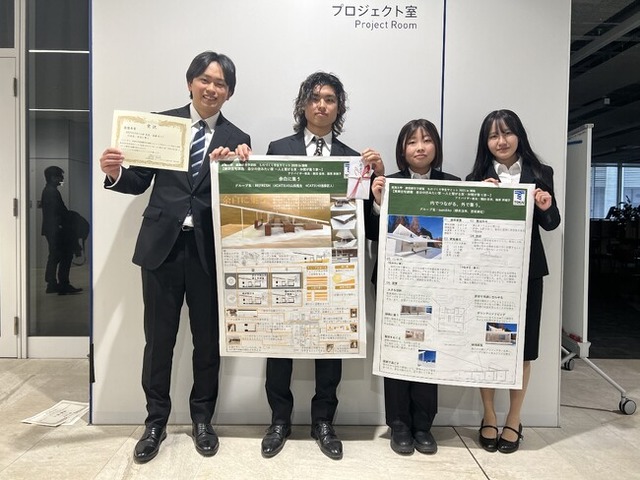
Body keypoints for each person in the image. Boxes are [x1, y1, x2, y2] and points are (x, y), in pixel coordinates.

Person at [99, 51, 251, 464]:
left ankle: (203, 420)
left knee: (207, 342)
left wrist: (237, 169)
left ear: (229, 92)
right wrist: (114, 172)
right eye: (205, 80)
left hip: (208, 253)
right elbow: (138, 180)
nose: (211, 88)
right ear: (190, 83)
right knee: (158, 341)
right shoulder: (161, 125)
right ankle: (155, 422)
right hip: (162, 249)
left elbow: (237, 200)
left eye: (221, 84)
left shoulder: (238, 138)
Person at [261, 71, 383, 460]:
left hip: (334, 268)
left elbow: (368, 226)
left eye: (329, 99)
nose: (321, 105)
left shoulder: (354, 159)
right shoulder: (278, 149)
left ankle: (324, 422)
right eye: (314, 98)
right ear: (303, 105)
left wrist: (378, 183)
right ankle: (279, 420)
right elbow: (262, 206)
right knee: (280, 340)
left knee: (331, 343)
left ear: (339, 108)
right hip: (286, 261)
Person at [466, 109, 560, 454]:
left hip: (528, 273)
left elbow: (551, 223)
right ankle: (489, 415)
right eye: (493, 136)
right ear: (486, 142)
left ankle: (514, 418)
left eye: (507, 133)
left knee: (523, 349)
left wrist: (545, 205)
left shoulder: (541, 173)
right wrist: (479, 197)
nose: (501, 141)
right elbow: (467, 231)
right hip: (488, 276)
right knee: (489, 345)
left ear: (519, 135)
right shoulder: (476, 177)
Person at [367, 118, 460, 455]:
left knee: (428, 350)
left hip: (436, 285)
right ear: (402, 150)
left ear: (436, 146)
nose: (420, 147)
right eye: (412, 142)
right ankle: (399, 425)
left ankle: (424, 425)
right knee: (397, 349)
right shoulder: (388, 183)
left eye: (426, 140)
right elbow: (372, 234)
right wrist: (379, 202)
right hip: (395, 284)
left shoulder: (454, 184)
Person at [41, 166, 82, 295]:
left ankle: (52, 284)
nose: (62, 179)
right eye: (60, 177)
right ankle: (63, 284)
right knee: (65, 255)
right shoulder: (52, 192)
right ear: (53, 178)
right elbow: (59, 212)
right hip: (57, 229)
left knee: (54, 255)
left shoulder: (49, 191)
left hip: (52, 229)